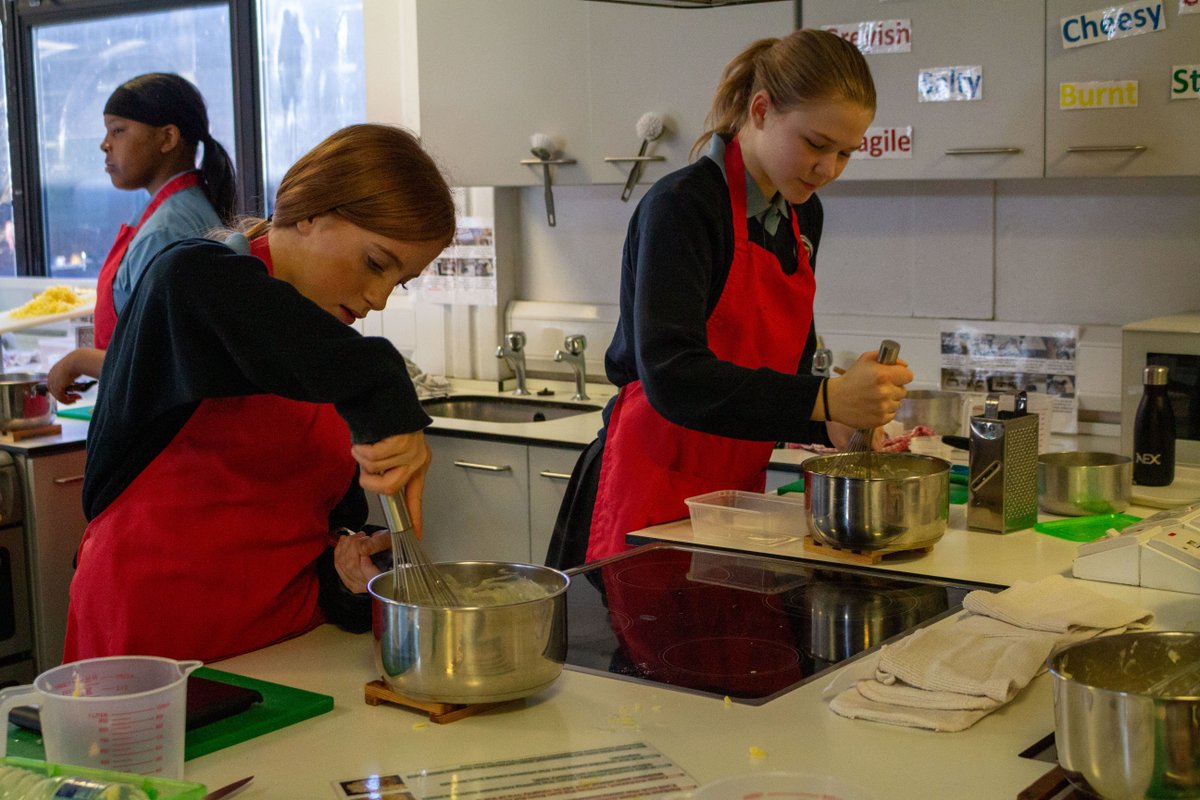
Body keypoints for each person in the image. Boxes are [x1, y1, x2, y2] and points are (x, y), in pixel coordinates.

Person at [62, 124, 455, 663]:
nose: (380, 299)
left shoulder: (324, 354)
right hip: (156, 641)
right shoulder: (192, 280)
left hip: (290, 648)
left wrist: (350, 569)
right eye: (376, 263)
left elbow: (323, 534)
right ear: (311, 211)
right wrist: (385, 388)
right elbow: (232, 303)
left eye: (400, 281)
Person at [545, 29, 913, 570]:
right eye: (815, 144)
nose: (828, 169)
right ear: (760, 110)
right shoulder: (683, 207)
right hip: (647, 485)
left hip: (731, 497)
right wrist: (827, 399)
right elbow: (674, 374)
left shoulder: (801, 214)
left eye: (845, 153)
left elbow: (772, 374)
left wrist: (830, 423)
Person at [47, 72, 237, 403]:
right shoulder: (185, 209)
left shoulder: (168, 230)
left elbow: (163, 363)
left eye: (118, 131)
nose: (104, 144)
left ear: (167, 138)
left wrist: (79, 361)